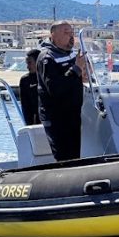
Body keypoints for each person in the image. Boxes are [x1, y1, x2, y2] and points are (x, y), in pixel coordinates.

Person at [35, 21, 87, 162]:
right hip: (57, 117)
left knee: (75, 155)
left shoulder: (71, 55)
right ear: (53, 35)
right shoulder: (47, 58)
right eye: (66, 33)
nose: (71, 37)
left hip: (73, 114)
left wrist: (84, 73)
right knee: (65, 156)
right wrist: (76, 69)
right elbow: (55, 89)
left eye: (72, 33)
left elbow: (74, 80)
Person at [18, 48, 41, 126]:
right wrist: (29, 125)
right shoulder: (25, 80)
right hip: (34, 121)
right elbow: (25, 106)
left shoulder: (48, 77)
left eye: (29, 63)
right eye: (27, 63)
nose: (27, 67)